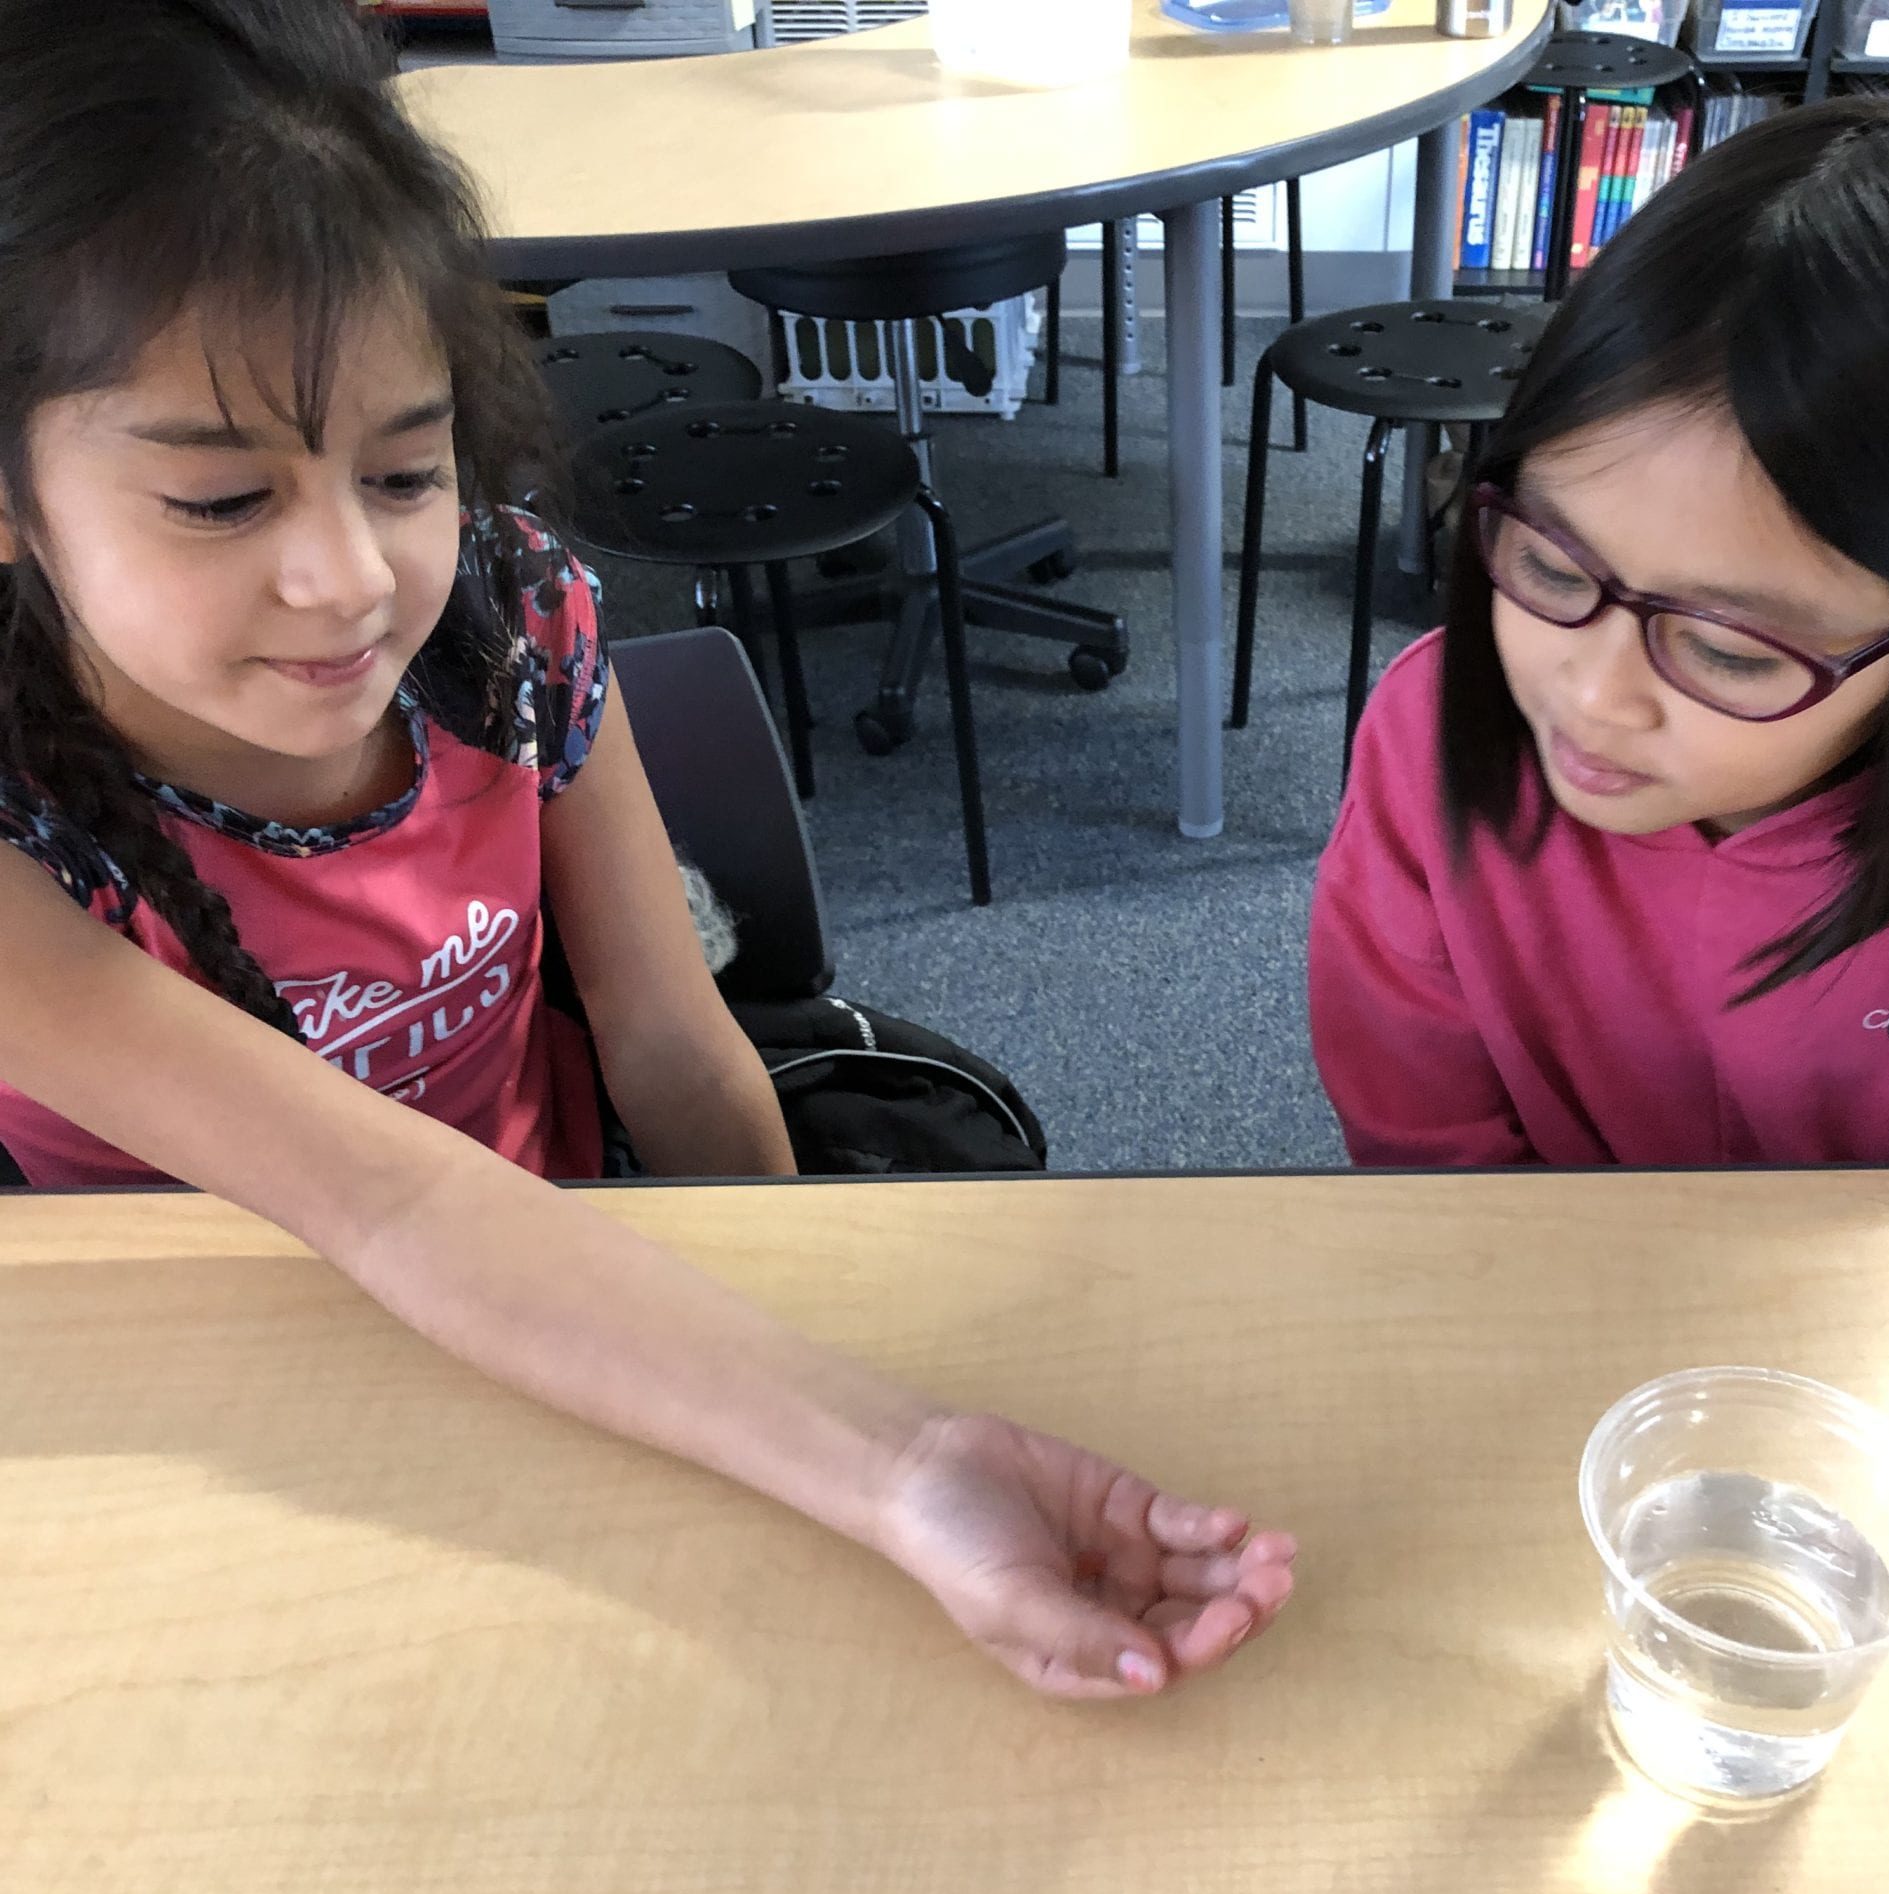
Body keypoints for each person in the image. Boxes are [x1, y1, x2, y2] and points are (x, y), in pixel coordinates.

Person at [0, 0, 1295, 1699]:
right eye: (223, 503)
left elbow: (673, 1038)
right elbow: (385, 1205)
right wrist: (883, 1459)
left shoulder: (508, 625)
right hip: (227, 1436)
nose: (347, 583)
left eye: (404, 472)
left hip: (598, 1327)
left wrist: (851, 1408)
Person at [1312, 98, 1889, 1168]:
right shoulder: (1434, 734)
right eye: (1550, 565)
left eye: (1729, 649)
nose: (1592, 700)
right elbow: (1426, 1155)